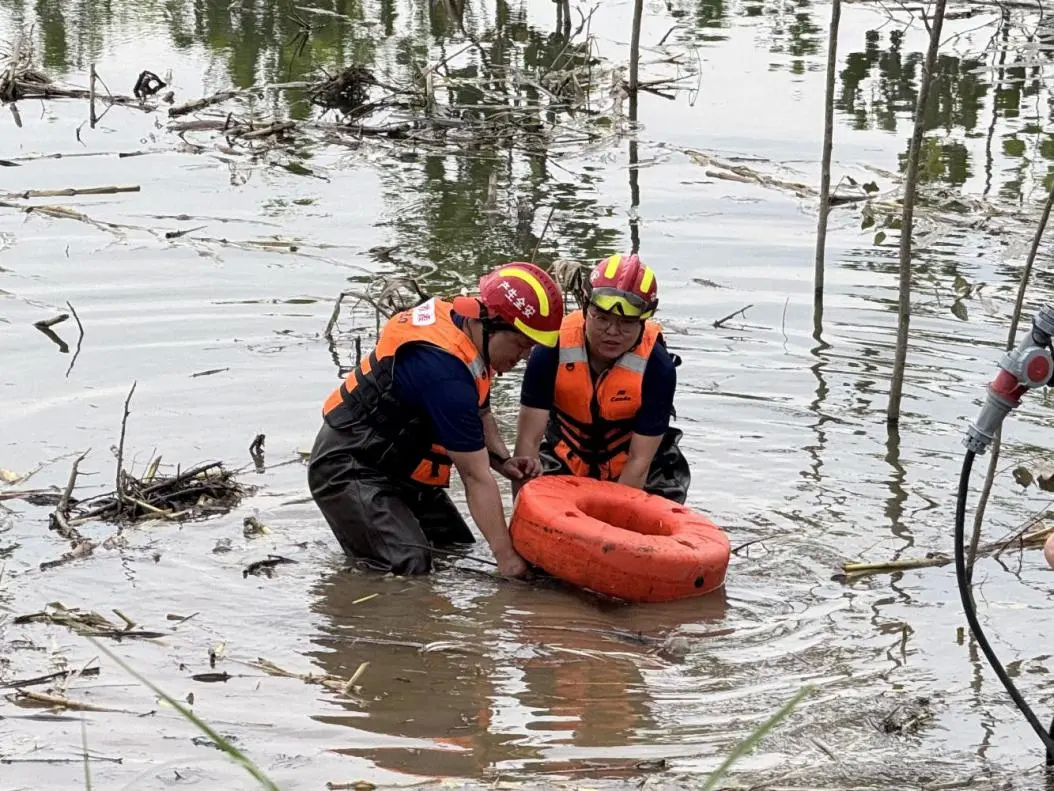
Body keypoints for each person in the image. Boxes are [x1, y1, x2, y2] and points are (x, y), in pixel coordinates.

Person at [307, 263, 564, 578]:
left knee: (457, 549)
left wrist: (503, 461)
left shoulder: (462, 329)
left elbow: (481, 413)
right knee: (410, 566)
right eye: (523, 343)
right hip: (351, 468)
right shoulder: (444, 373)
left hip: (402, 473)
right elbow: (474, 477)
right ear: (491, 322)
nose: (525, 356)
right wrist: (507, 558)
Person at [513, 253, 690, 503]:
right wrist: (522, 512)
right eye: (602, 318)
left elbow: (639, 461)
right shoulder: (550, 350)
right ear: (586, 307)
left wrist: (610, 523)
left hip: (640, 465)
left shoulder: (657, 366)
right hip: (566, 457)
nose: (612, 332)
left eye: (626, 323)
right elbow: (527, 442)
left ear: (644, 320)